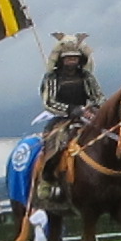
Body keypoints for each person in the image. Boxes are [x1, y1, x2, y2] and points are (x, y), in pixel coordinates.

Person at [33, 32, 103, 206]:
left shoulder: (87, 77)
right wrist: (72, 110)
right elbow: (48, 102)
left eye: (75, 58)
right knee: (56, 143)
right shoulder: (52, 78)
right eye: (68, 58)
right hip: (61, 119)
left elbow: (99, 96)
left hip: (86, 117)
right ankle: (47, 180)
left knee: (107, 137)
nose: (72, 61)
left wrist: (93, 108)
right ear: (61, 60)